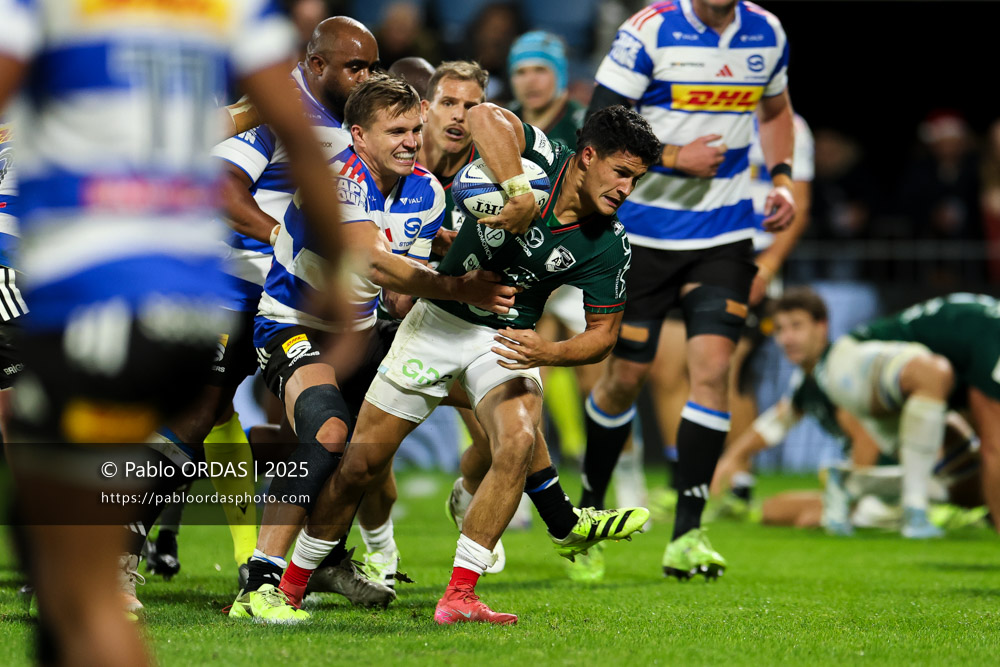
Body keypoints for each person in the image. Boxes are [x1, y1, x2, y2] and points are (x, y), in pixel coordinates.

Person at [0, 0, 348, 662]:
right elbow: (301, 140)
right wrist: (332, 267)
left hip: (95, 299)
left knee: (75, 579)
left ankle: (124, 556)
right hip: (191, 305)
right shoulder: (235, 10)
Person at [273, 104, 660, 626]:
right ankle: (289, 587)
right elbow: (485, 116)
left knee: (519, 439)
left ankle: (460, 594)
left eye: (636, 180)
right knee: (361, 464)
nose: (626, 190)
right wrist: (519, 191)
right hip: (437, 322)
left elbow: (602, 337)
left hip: (503, 338)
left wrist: (549, 353)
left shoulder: (610, 243)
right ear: (588, 157)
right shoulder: (542, 161)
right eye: (621, 173)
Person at [230, 75, 517, 623]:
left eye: (415, 129)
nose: (410, 141)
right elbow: (374, 260)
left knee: (391, 445)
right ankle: (260, 581)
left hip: (363, 334)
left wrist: (468, 266)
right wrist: (458, 286)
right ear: (358, 135)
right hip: (293, 325)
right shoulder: (337, 178)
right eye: (396, 132)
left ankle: (346, 558)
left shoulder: (428, 192)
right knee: (330, 434)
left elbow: (400, 289)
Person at [580, 0, 796, 580]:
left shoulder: (766, 31)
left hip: (724, 233)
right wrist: (674, 157)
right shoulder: (650, 30)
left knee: (713, 368)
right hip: (641, 235)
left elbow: (776, 112)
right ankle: (588, 517)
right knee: (624, 377)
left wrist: (782, 179)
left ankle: (688, 535)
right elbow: (598, 121)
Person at [642, 112, 815, 526]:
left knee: (726, 369)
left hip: (744, 256)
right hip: (679, 249)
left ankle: (737, 483)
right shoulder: (691, 107)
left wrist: (769, 266)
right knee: (666, 370)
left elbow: (799, 202)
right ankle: (680, 478)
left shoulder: (790, 126)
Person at [715, 287, 998, 538]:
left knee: (799, 514)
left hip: (930, 461)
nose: (787, 338)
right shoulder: (811, 380)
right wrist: (734, 456)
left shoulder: (837, 371)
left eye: (796, 326)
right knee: (773, 510)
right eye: (779, 330)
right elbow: (777, 421)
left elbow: (866, 438)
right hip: (931, 459)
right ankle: (906, 503)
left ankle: (893, 500)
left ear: (822, 326)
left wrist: (848, 503)